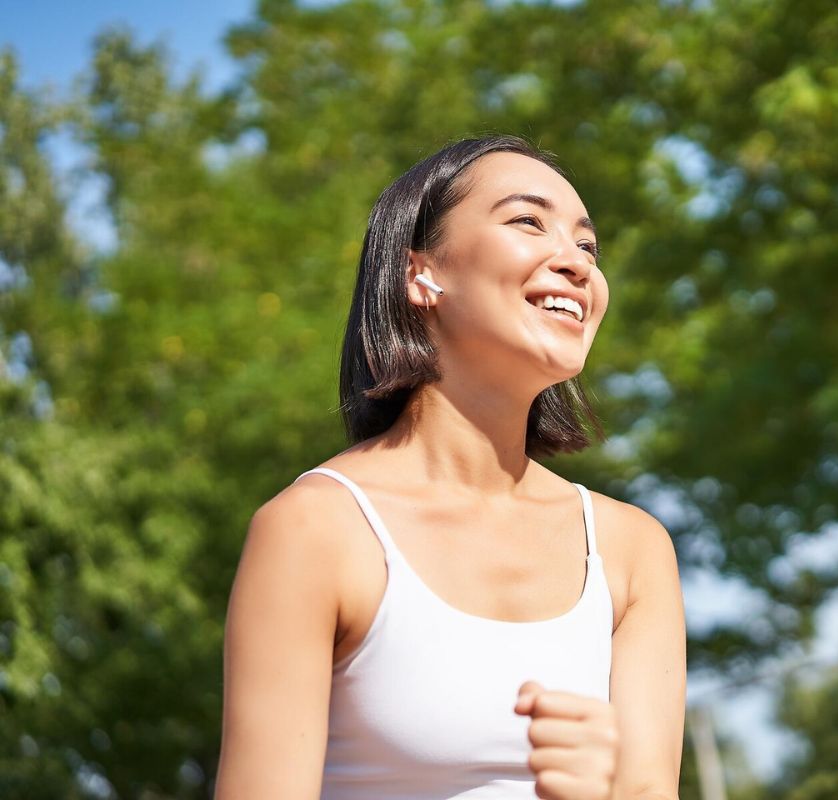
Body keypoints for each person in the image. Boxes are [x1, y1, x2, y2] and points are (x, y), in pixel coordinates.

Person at [214, 135, 687, 799]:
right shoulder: (315, 530)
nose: (577, 264)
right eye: (528, 221)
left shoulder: (632, 550)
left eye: (587, 246)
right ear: (421, 274)